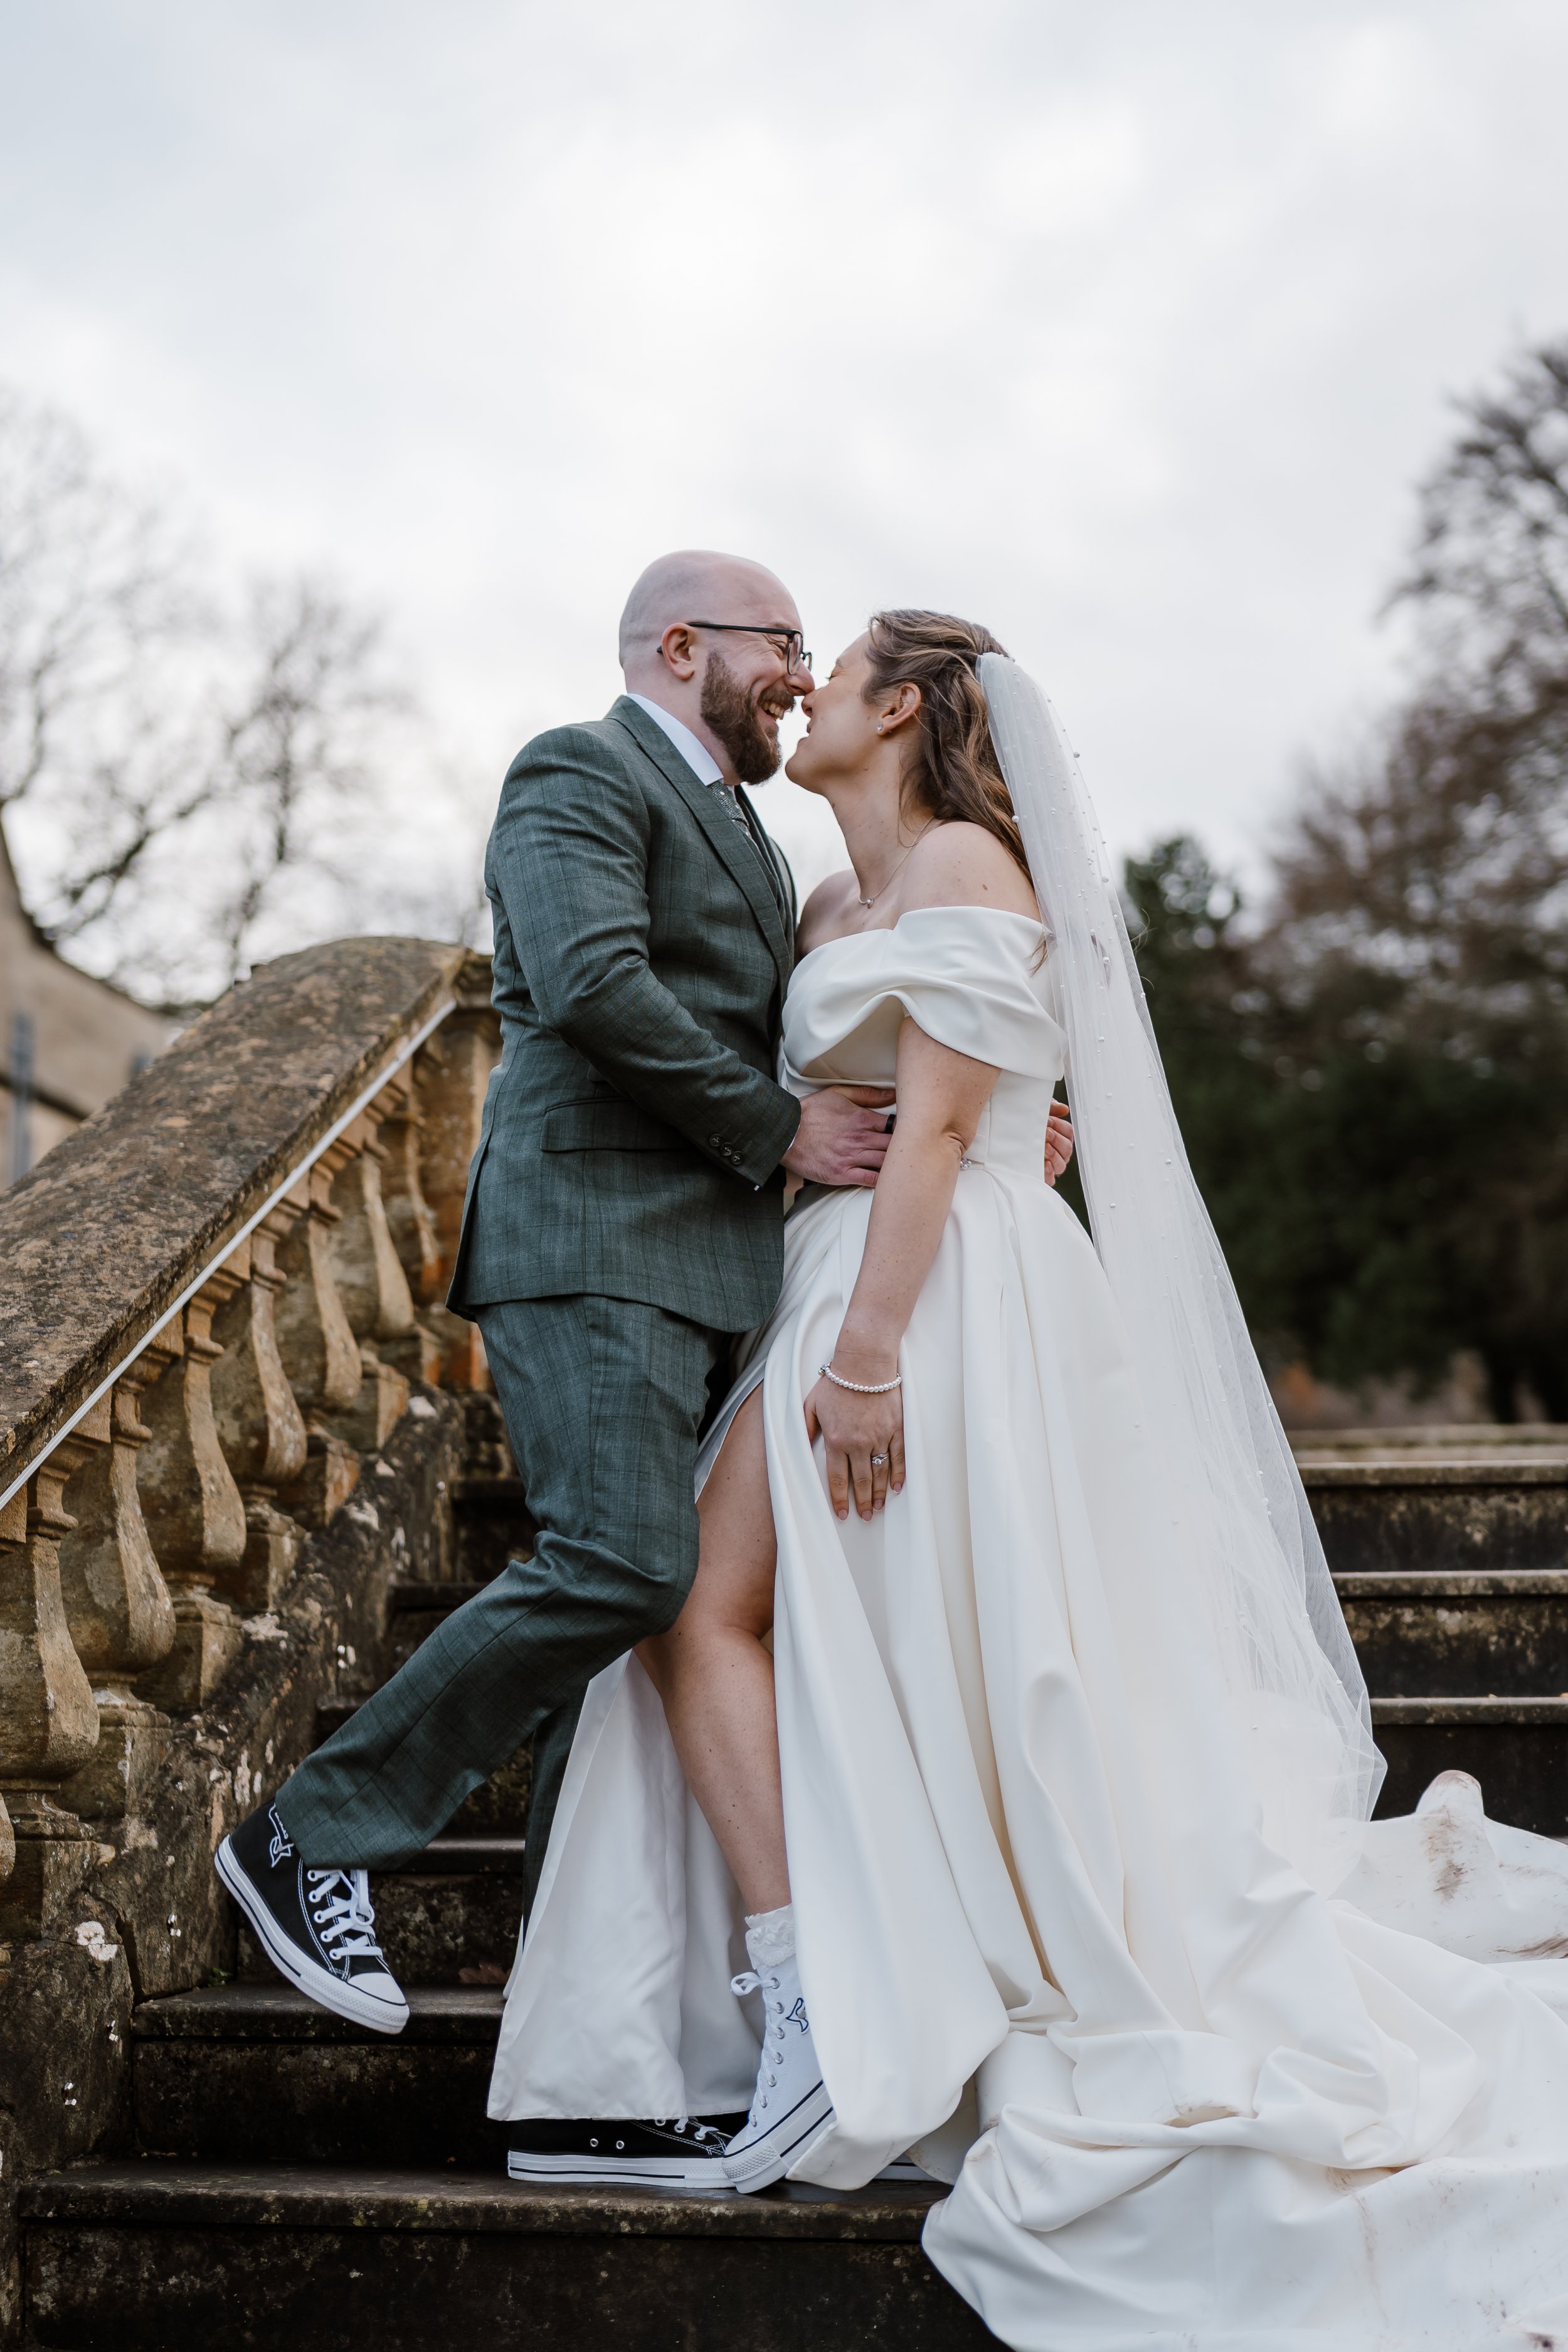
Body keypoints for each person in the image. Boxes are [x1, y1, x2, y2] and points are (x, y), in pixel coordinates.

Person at [493, 612, 1568, 2346]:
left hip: (938, 1305)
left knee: (764, 1611)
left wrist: (864, 1357)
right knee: (747, 1617)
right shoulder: (832, 904)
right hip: (845, 1271)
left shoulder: (967, 862)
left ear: (902, 705)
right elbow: (864, 1111)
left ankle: (825, 2012)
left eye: (835, 667)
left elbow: (936, 1127)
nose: (806, 687)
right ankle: (807, 1998)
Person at [212, 553, 1074, 2188]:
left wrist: (1004, 1102)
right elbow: (598, 985)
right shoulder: (576, 770)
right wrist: (789, 1129)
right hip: (596, 1250)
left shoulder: (782, 856)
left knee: (633, 1644)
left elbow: (911, 1028)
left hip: (741, 1284)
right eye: (780, 647)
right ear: (683, 646)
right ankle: (311, 1831)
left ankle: (611, 2059)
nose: (800, 676)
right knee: (622, 1565)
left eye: (826, 658)